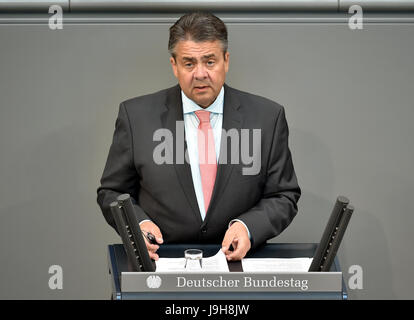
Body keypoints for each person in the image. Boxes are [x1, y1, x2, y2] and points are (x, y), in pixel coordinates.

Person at [97, 12, 301, 262]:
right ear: (174, 65)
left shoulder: (267, 117)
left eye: (210, 61)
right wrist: (136, 224)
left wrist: (248, 227)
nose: (200, 74)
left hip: (238, 267)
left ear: (226, 61)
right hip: (162, 264)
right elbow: (112, 192)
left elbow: (284, 195)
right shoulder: (136, 117)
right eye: (189, 63)